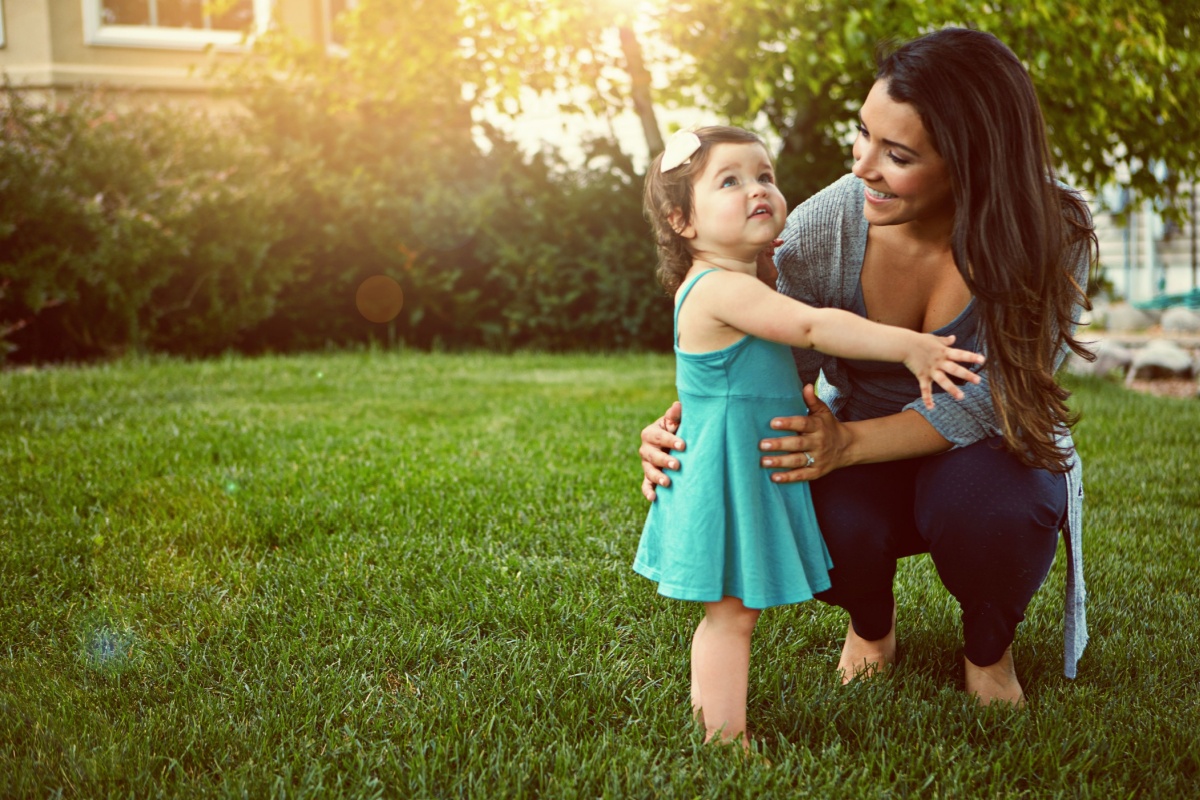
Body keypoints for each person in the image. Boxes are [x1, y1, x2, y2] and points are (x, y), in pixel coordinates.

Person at [638, 28, 1097, 708]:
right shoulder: (823, 227)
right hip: (860, 440)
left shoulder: (1049, 232)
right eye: (863, 135)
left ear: (970, 164)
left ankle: (988, 649)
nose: (862, 168)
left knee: (993, 511)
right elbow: (770, 358)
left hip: (988, 446)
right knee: (805, 497)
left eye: (899, 154)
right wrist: (683, 432)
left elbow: (1004, 394)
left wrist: (848, 444)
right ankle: (871, 625)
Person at [633, 124, 985, 747]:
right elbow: (815, 328)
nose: (758, 189)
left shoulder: (743, 281)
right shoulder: (721, 288)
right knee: (731, 617)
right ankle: (723, 740)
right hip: (728, 475)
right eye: (730, 181)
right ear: (682, 220)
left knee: (734, 613)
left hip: (740, 465)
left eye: (764, 175)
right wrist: (910, 347)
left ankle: (720, 728)